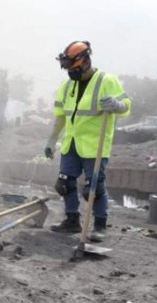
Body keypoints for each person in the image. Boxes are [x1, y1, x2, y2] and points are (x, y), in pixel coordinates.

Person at [44, 41, 132, 241]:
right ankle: (72, 221)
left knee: (94, 187)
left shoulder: (106, 81)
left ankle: (100, 226)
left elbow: (127, 106)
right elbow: (61, 116)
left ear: (84, 61)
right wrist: (51, 140)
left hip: (95, 146)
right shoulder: (67, 86)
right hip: (71, 143)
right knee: (64, 184)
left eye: (71, 66)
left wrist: (117, 105)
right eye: (66, 67)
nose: (69, 71)